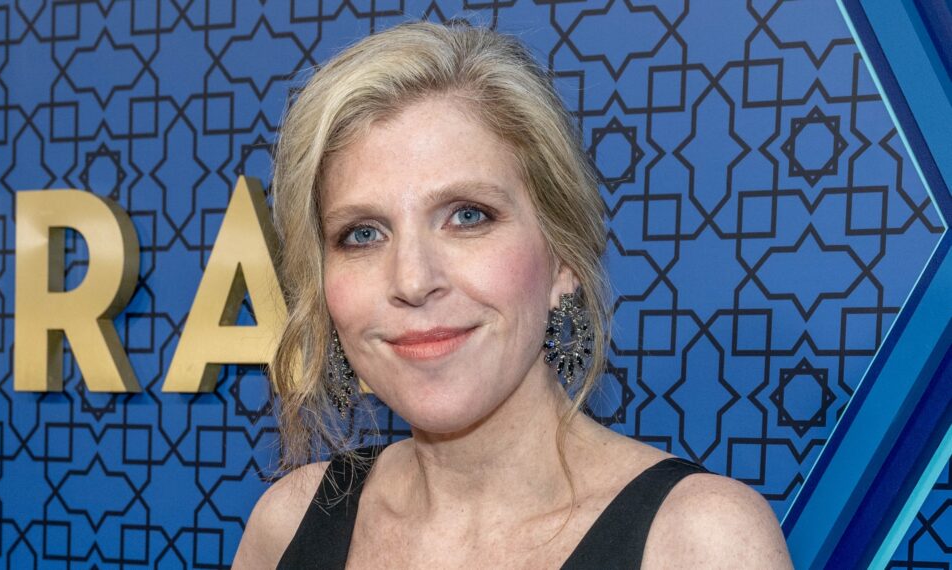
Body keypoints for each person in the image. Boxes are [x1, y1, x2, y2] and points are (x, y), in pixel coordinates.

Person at [233, 21, 793, 569]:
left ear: (562, 257)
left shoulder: (699, 541)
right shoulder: (287, 524)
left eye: (467, 216)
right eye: (363, 234)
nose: (412, 280)